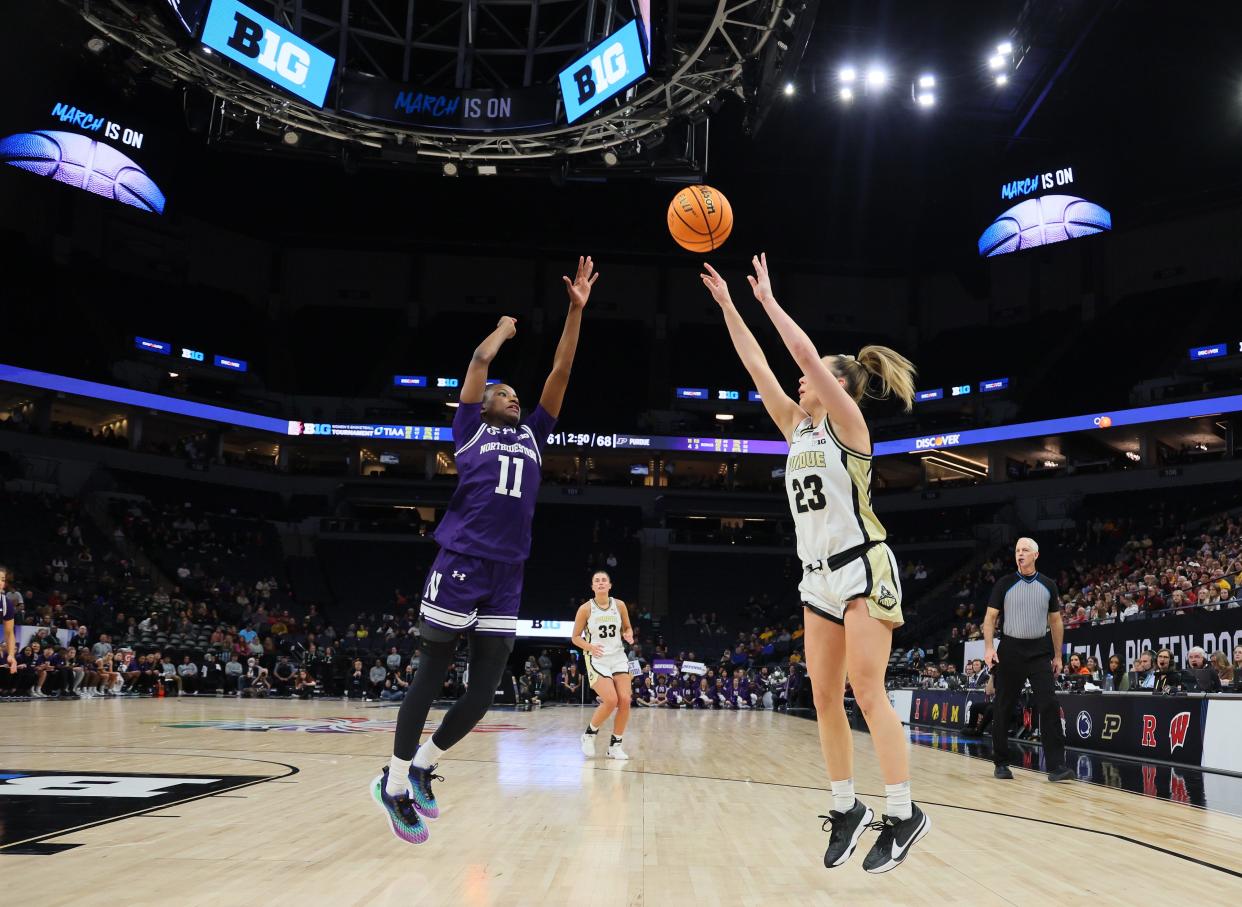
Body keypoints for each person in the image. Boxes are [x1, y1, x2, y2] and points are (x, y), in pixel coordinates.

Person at [700, 254, 929, 873]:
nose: (801, 383)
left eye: (813, 378)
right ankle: (846, 806)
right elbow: (756, 363)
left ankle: (905, 812)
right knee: (824, 695)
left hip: (862, 565)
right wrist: (728, 306)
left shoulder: (848, 425)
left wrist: (769, 300)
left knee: (866, 688)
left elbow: (801, 357)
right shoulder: (796, 428)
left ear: (839, 387)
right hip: (817, 576)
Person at [374, 256, 598, 845]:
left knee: (484, 691)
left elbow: (562, 370)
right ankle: (393, 784)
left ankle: (423, 765)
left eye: (516, 395)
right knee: (430, 677)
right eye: (505, 393)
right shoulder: (469, 429)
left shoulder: (532, 435)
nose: (513, 397)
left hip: (508, 572)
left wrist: (576, 312)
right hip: (461, 562)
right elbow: (477, 365)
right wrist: (500, 335)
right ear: (484, 404)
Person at [983, 538, 1073, 783]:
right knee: (1003, 705)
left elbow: (1055, 621)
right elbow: (990, 618)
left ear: (1036, 555)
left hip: (1039, 650)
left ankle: (1056, 766)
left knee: (1049, 704)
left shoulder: (1048, 585)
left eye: (1024, 551)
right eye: (1017, 551)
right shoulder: (1004, 583)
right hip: (1010, 649)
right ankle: (1001, 763)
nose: (1019, 554)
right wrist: (989, 648)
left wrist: (1057, 655)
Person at [573, 571, 635, 759]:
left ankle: (615, 746)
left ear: (609, 585)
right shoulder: (585, 609)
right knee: (611, 700)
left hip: (617, 656)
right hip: (597, 658)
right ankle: (589, 735)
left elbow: (627, 627)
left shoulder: (620, 605)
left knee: (625, 700)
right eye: (596, 581)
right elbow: (575, 637)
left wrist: (628, 634)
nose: (600, 583)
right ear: (592, 587)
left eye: (604, 580)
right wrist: (590, 646)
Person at [0, 566, 16, 677]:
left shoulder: (6, 603)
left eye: (2, 579)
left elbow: (9, 633)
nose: (0, 582)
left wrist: (11, 654)